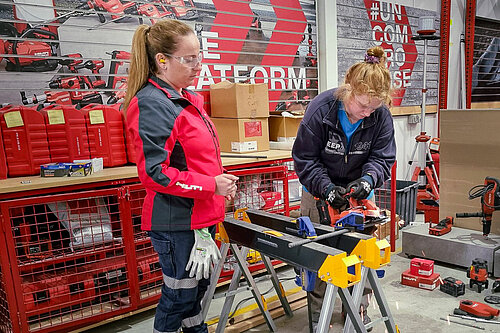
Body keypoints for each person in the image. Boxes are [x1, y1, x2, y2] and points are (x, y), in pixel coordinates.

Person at [124, 19, 238, 333]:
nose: (197, 65)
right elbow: (155, 173)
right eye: (188, 59)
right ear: (162, 60)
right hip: (177, 222)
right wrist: (210, 184)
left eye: (199, 57)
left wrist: (220, 182)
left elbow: (193, 158)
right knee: (179, 295)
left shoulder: (185, 99)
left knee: (196, 293)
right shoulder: (153, 104)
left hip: (200, 216)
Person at [292, 46, 396, 331]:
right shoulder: (321, 109)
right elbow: (304, 159)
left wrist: (368, 181)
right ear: (348, 90)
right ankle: (318, 317)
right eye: (362, 105)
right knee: (316, 255)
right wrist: (326, 189)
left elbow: (382, 158)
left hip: (359, 191)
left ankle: (356, 313)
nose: (366, 113)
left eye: (373, 108)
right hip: (318, 188)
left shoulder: (380, 116)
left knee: (361, 256)